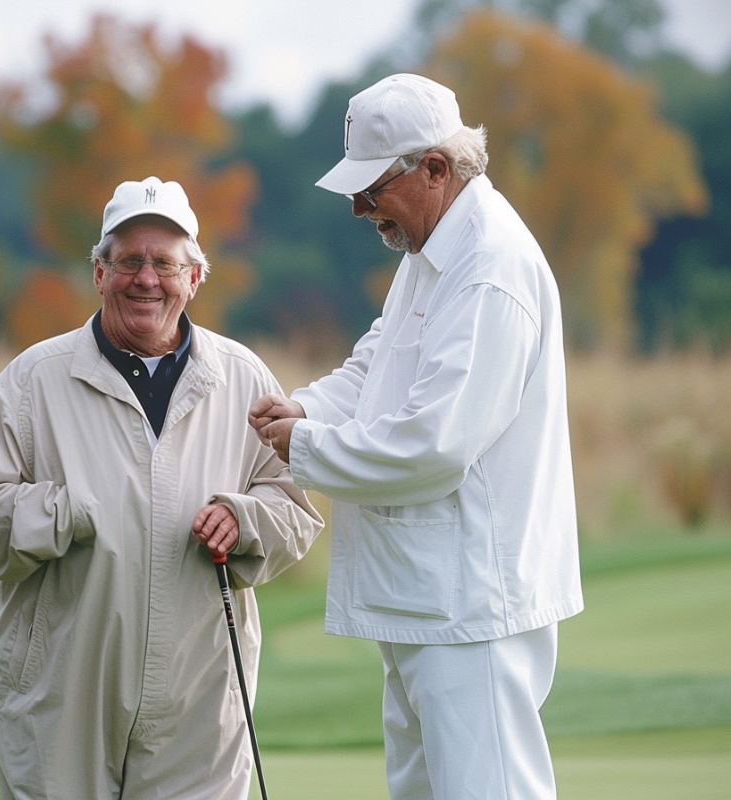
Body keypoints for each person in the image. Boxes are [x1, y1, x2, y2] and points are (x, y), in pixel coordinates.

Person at [249, 74, 584, 799]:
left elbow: (438, 446)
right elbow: (374, 369)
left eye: (373, 185)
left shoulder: (489, 269)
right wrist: (298, 411)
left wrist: (299, 449)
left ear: (437, 168)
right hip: (427, 598)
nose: (358, 206)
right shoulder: (429, 255)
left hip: (470, 606)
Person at [0, 176, 322, 799]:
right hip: (60, 694)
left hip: (200, 695)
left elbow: (296, 511)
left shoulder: (244, 378)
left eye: (164, 263)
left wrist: (245, 518)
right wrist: (67, 509)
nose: (145, 279)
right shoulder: (33, 381)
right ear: (99, 273)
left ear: (194, 278)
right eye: (127, 261)